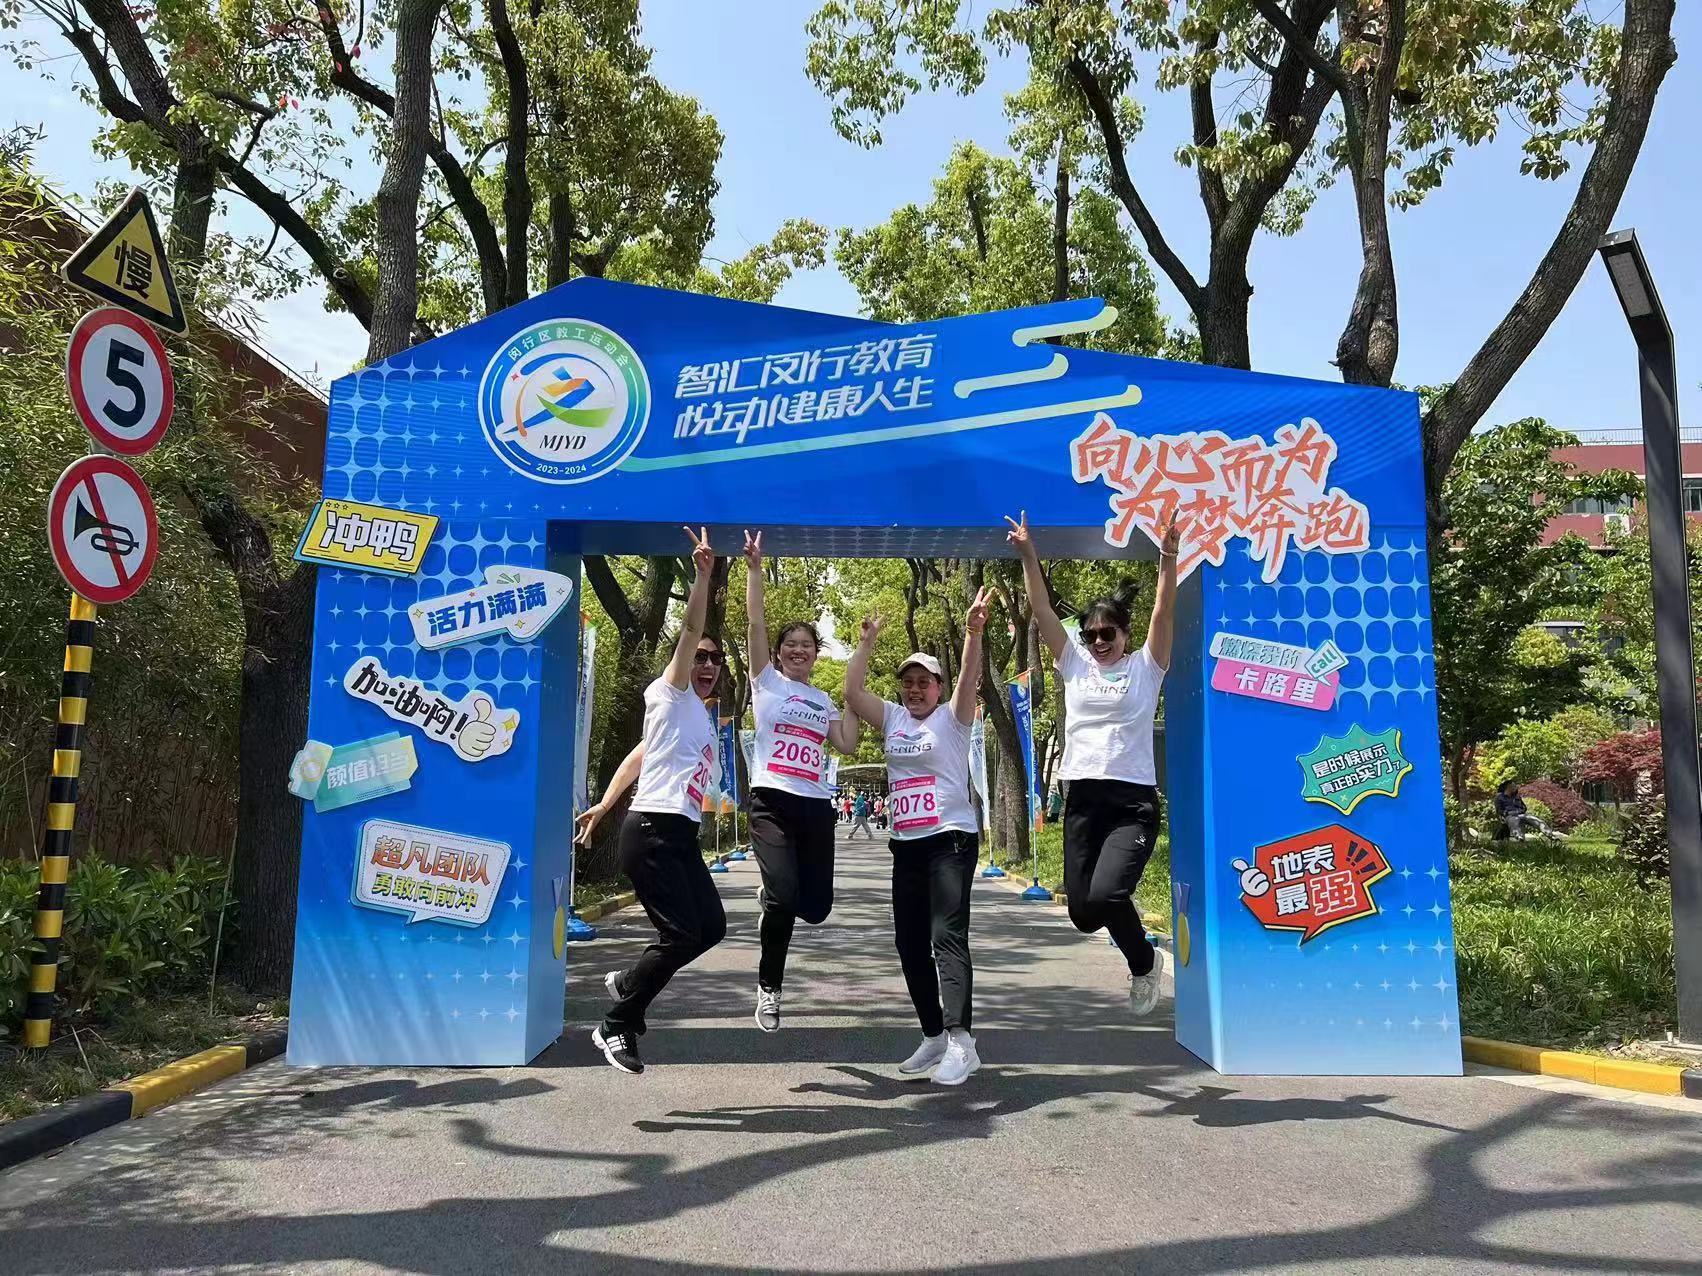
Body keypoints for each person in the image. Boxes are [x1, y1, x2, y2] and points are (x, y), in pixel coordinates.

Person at [1006, 509, 1180, 1016]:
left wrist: (1167, 558)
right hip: (1081, 798)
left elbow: (1162, 614)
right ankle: (1139, 948)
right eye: (1091, 635)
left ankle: (1143, 963)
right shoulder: (1075, 664)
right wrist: (1029, 554)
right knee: (1083, 914)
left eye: (1108, 633)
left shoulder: (1148, 667)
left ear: (1125, 634)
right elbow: (1041, 610)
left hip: (1130, 803)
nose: (1100, 642)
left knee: (1106, 895)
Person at [574, 528, 728, 1074]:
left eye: (716, 661)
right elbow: (688, 629)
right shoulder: (669, 693)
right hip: (652, 830)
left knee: (711, 928)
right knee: (680, 933)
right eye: (700, 657)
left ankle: (629, 981)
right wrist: (703, 577)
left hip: (679, 834)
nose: (707, 665)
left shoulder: (699, 721)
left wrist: (603, 803)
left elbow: (638, 756)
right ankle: (616, 1024)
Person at [844, 589, 988, 1084]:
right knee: (909, 943)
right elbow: (852, 693)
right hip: (906, 846)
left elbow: (968, 674)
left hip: (950, 840)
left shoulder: (954, 718)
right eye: (907, 683)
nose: (914, 690)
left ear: (939, 688)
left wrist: (972, 633)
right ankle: (933, 1035)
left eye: (924, 682)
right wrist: (866, 643)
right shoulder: (892, 718)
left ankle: (961, 1041)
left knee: (946, 936)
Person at [743, 530, 862, 1031]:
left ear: (816, 654)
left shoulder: (822, 700)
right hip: (772, 798)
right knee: (784, 898)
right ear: (778, 654)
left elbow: (848, 744)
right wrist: (754, 570)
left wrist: (854, 696)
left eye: (806, 645)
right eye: (790, 644)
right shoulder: (766, 682)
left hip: (815, 805)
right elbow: (754, 623)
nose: (798, 650)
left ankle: (774, 895)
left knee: (815, 908)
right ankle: (769, 990)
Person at [1495, 780, 1561, 840]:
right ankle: (1519, 837)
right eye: (1514, 786)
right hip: (1510, 816)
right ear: (1508, 786)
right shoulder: (1500, 797)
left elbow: (1524, 808)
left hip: (1521, 814)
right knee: (1515, 821)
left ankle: (1551, 836)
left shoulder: (1517, 797)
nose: (1516, 787)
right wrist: (1507, 813)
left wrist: (1519, 811)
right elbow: (1499, 810)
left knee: (1537, 821)